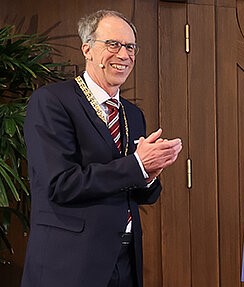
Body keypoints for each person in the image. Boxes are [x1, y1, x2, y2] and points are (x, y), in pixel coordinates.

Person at [21, 10, 182, 287]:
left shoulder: (133, 114)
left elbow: (140, 194)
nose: (124, 55)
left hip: (125, 257)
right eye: (113, 44)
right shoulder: (51, 101)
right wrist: (137, 165)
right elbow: (61, 184)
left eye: (130, 47)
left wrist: (150, 173)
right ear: (87, 49)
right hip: (69, 261)